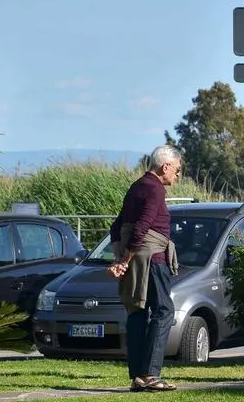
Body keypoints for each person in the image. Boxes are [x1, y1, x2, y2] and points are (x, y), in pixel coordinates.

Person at [108, 145, 181, 392]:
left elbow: (117, 226)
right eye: (177, 170)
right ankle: (150, 374)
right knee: (164, 310)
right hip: (153, 261)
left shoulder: (137, 186)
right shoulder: (154, 188)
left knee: (138, 313)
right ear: (165, 166)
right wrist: (124, 261)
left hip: (136, 259)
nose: (177, 176)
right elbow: (141, 228)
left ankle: (139, 376)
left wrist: (120, 256)